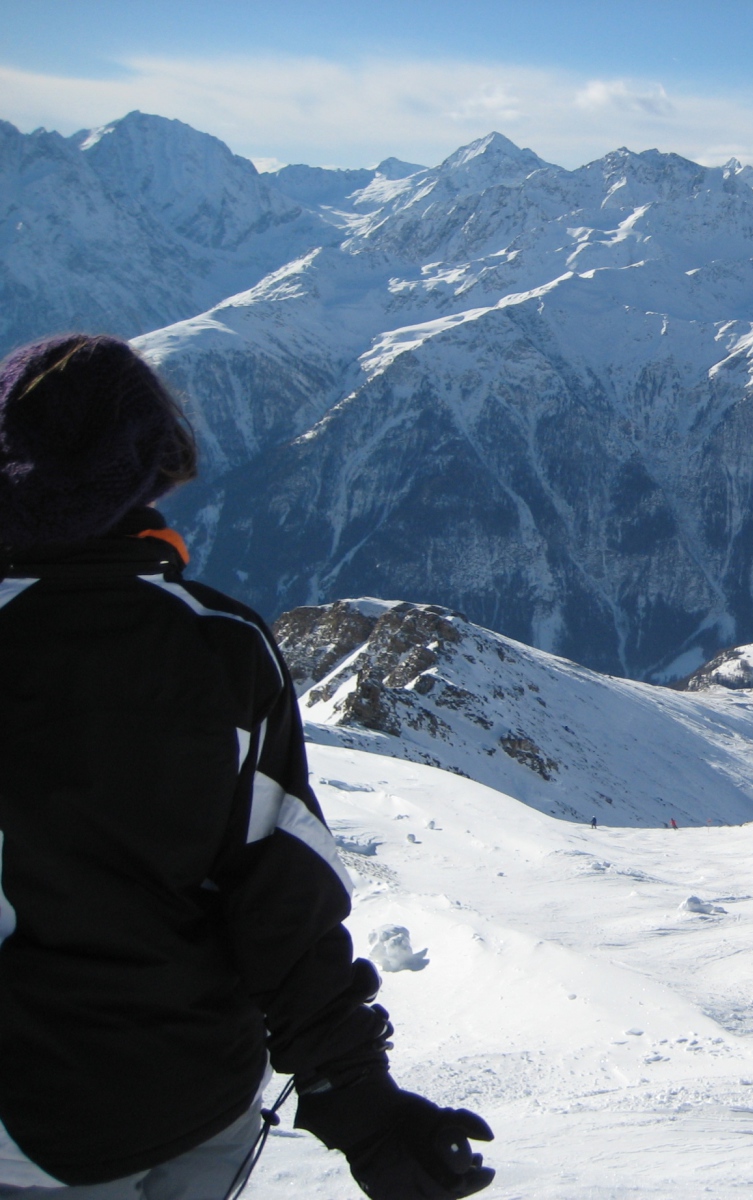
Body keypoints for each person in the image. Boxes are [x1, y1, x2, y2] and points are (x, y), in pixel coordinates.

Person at [0, 336, 494, 1200]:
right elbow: (280, 898)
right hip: (188, 1104)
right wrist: (360, 1105)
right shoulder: (217, 647)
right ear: (147, 472)